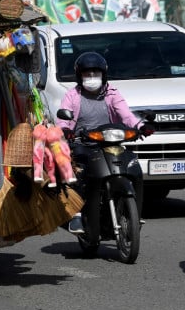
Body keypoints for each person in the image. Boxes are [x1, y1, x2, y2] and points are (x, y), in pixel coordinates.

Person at [55, 52, 154, 234]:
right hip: (82, 143)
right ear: (79, 75)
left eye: (95, 74)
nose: (91, 78)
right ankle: (76, 214)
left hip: (109, 141)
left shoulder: (112, 93)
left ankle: (131, 211)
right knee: (79, 172)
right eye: (87, 74)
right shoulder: (72, 95)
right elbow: (64, 117)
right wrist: (65, 129)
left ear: (104, 75)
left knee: (131, 165)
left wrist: (141, 126)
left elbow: (126, 114)